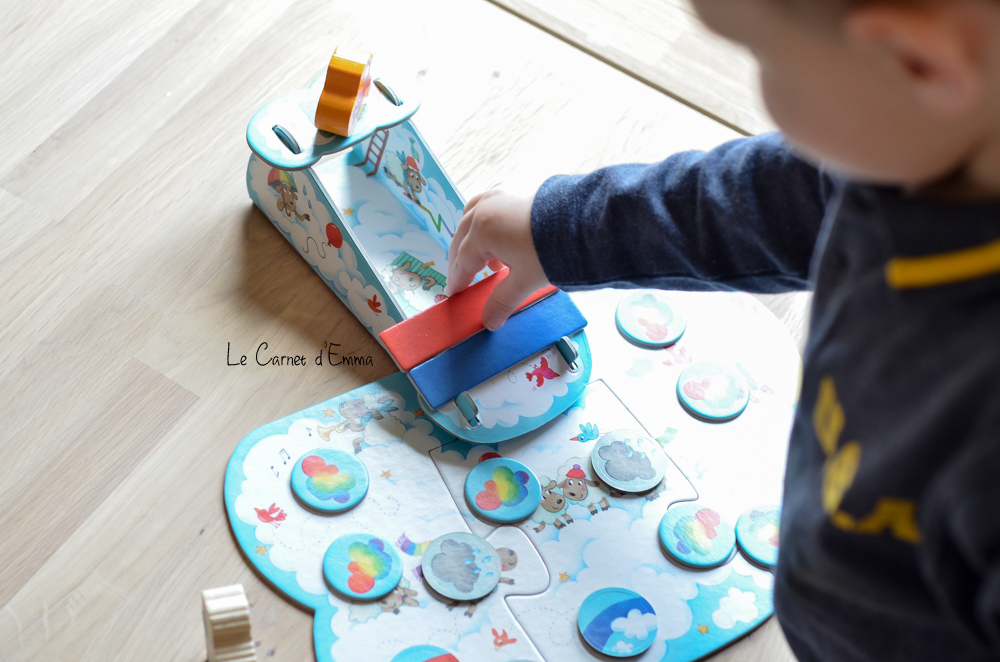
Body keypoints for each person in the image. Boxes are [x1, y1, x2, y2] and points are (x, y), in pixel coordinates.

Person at [444, 1, 1000, 660]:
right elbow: (765, 199)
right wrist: (561, 230)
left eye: (766, 58)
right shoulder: (909, 144)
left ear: (915, 63)